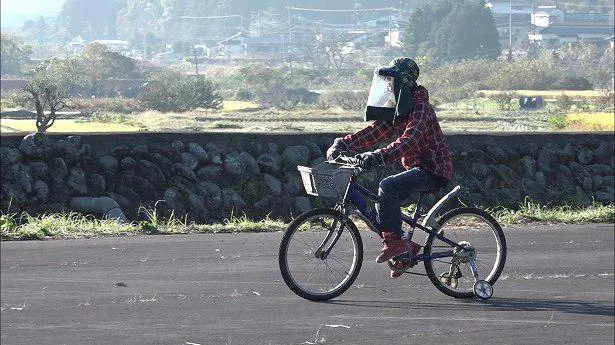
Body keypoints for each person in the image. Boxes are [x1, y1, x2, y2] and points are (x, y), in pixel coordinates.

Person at [326, 57, 452, 278]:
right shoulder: (401, 107)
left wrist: (376, 156)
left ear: (404, 81)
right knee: (380, 204)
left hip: (434, 169)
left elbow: (408, 141)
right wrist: (344, 143)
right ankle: (405, 247)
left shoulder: (420, 108)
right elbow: (376, 131)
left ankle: (395, 244)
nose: (388, 85)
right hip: (417, 168)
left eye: (391, 80)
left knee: (388, 186)